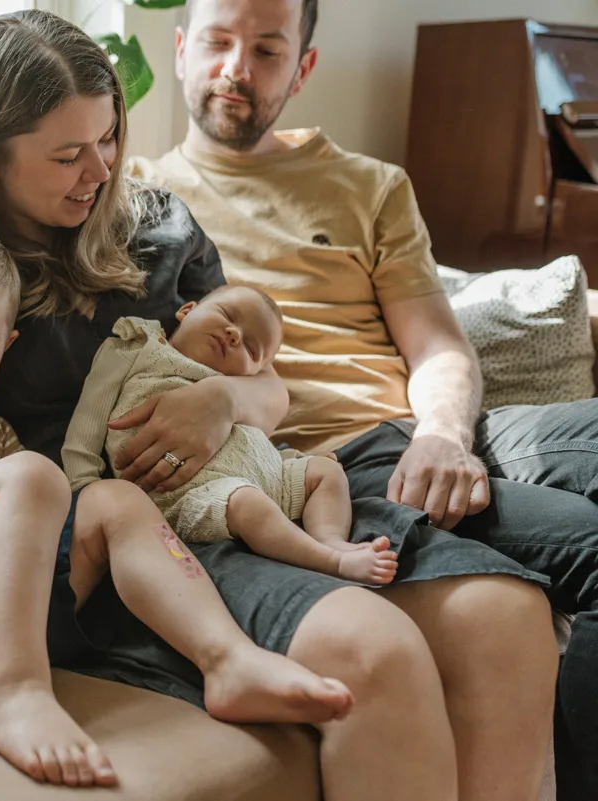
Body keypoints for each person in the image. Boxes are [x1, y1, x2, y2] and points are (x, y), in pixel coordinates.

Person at [0, 9, 555, 801]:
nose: (99, 171)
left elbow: (268, 387)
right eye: (68, 154)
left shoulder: (160, 222)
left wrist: (221, 398)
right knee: (375, 653)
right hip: (115, 548)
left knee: (504, 616)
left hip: (240, 482)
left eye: (108, 140)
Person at [128, 0, 594, 798]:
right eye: (217, 42)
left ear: (303, 68)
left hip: (430, 431)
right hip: (331, 462)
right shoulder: (141, 203)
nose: (237, 67)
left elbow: (439, 346)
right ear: (179, 51)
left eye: (267, 49)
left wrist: (444, 434)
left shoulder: (371, 185)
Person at [0, 217, 354, 786]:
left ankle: (227, 660)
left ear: (7, 346)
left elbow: (29, 510)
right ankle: (16, 692)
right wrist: (20, 482)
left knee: (115, 498)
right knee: (36, 475)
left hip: (4, 606)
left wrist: (27, 486)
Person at [63, 285, 398, 585]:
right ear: (187, 310)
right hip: (189, 494)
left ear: (256, 372)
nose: (234, 335)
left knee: (326, 472)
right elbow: (88, 420)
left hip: (265, 476)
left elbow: (249, 438)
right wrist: (84, 487)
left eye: (252, 350)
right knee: (246, 501)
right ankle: (332, 562)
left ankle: (330, 539)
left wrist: (289, 462)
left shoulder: (237, 387)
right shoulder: (137, 347)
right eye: (226, 315)